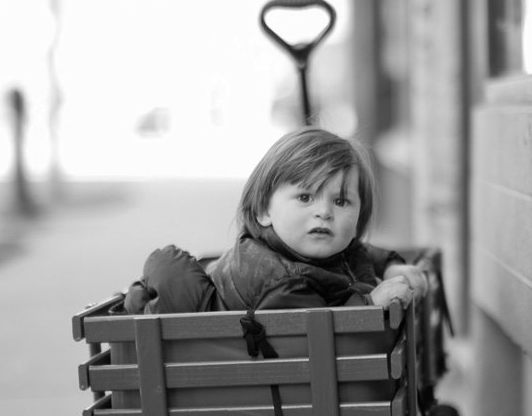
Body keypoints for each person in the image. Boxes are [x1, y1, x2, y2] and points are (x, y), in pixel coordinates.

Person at [124, 127, 426, 315]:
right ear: (264, 211)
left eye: (341, 201)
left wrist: (389, 265)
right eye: (305, 198)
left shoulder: (311, 245)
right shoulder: (281, 283)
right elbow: (322, 337)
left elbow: (355, 252)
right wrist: (371, 306)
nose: (324, 212)